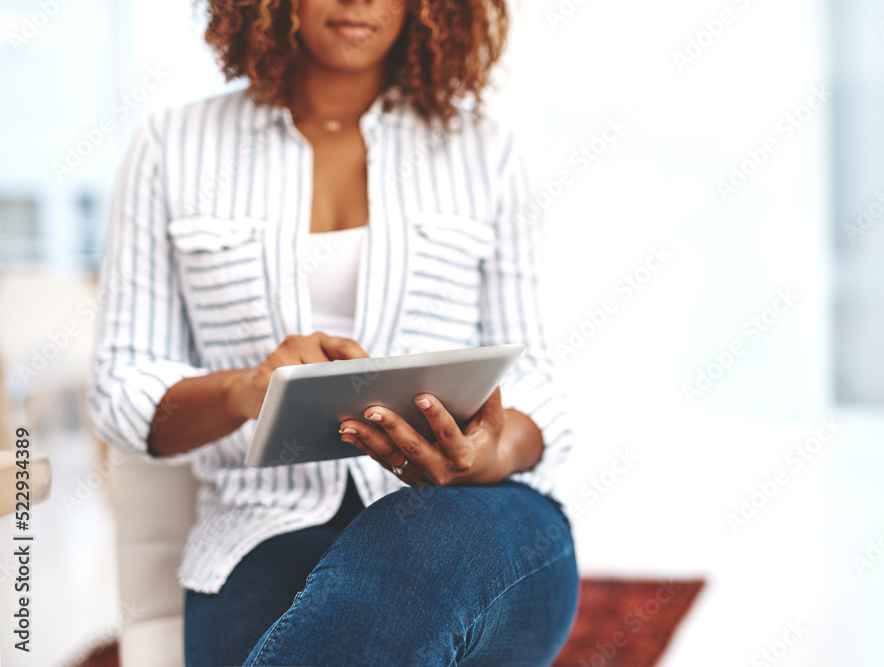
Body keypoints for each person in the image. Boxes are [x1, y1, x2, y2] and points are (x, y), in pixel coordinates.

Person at [86, 0, 578, 664]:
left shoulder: (485, 152)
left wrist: (487, 452)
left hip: (474, 518)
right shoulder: (171, 148)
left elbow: (538, 390)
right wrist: (245, 389)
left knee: (418, 535)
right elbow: (122, 389)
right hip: (261, 535)